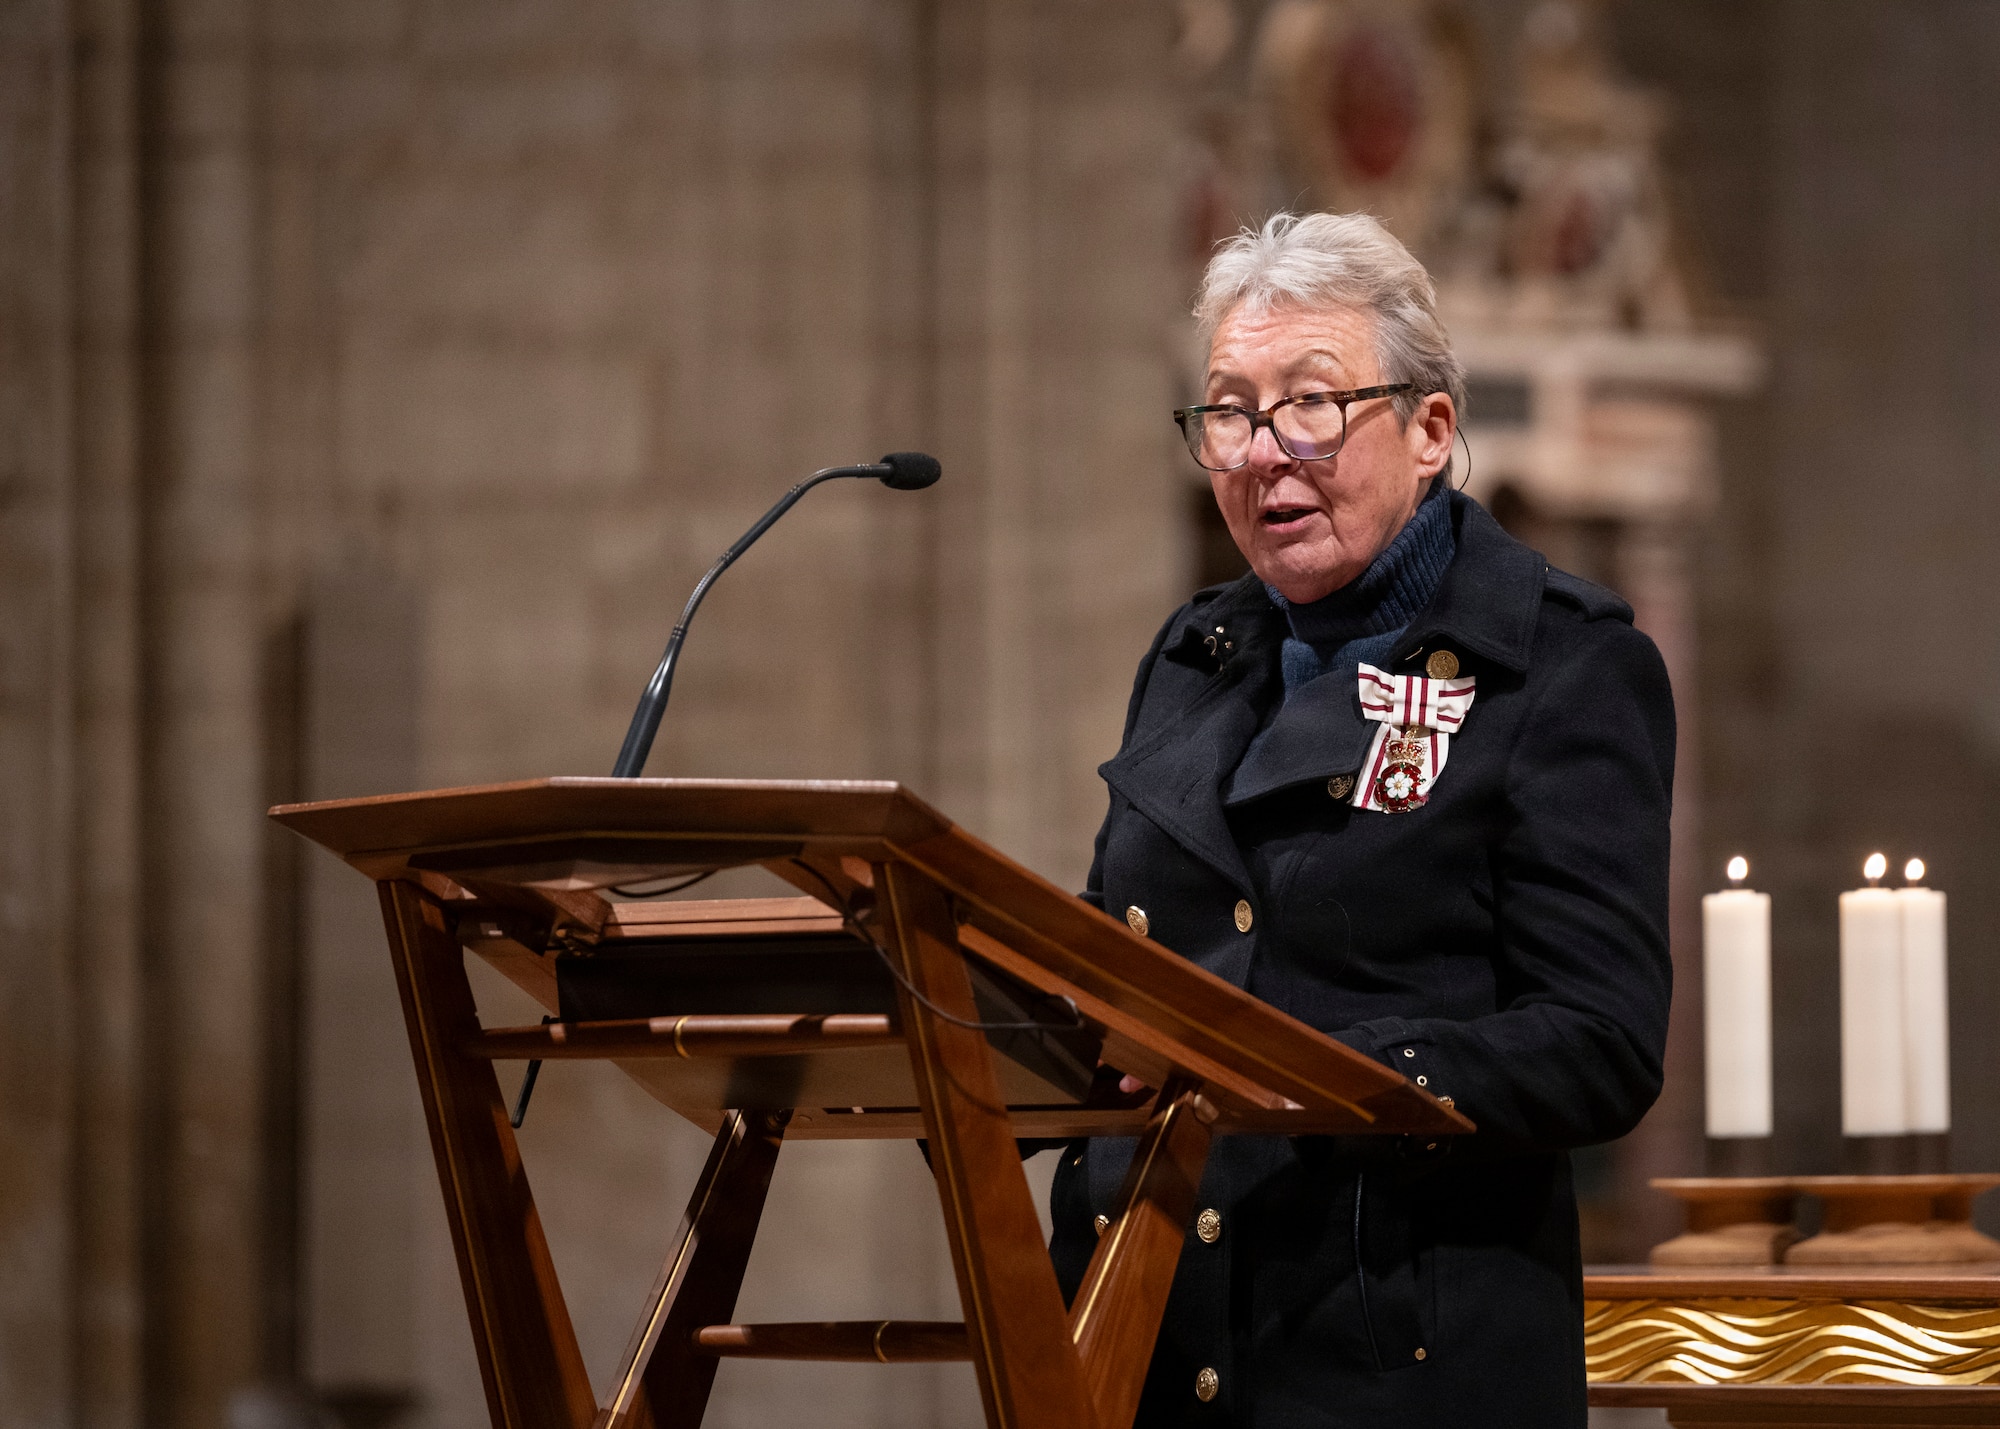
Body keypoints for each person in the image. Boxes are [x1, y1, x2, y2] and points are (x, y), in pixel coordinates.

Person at [1048, 212, 1675, 1427]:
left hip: (1386, 1359)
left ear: (1431, 428)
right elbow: (1116, 950)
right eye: (1226, 410)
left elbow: (1599, 1038)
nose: (1260, 450)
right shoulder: (1193, 653)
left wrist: (1328, 1078)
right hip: (1141, 1348)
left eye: (1310, 405)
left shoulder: (1558, 664)